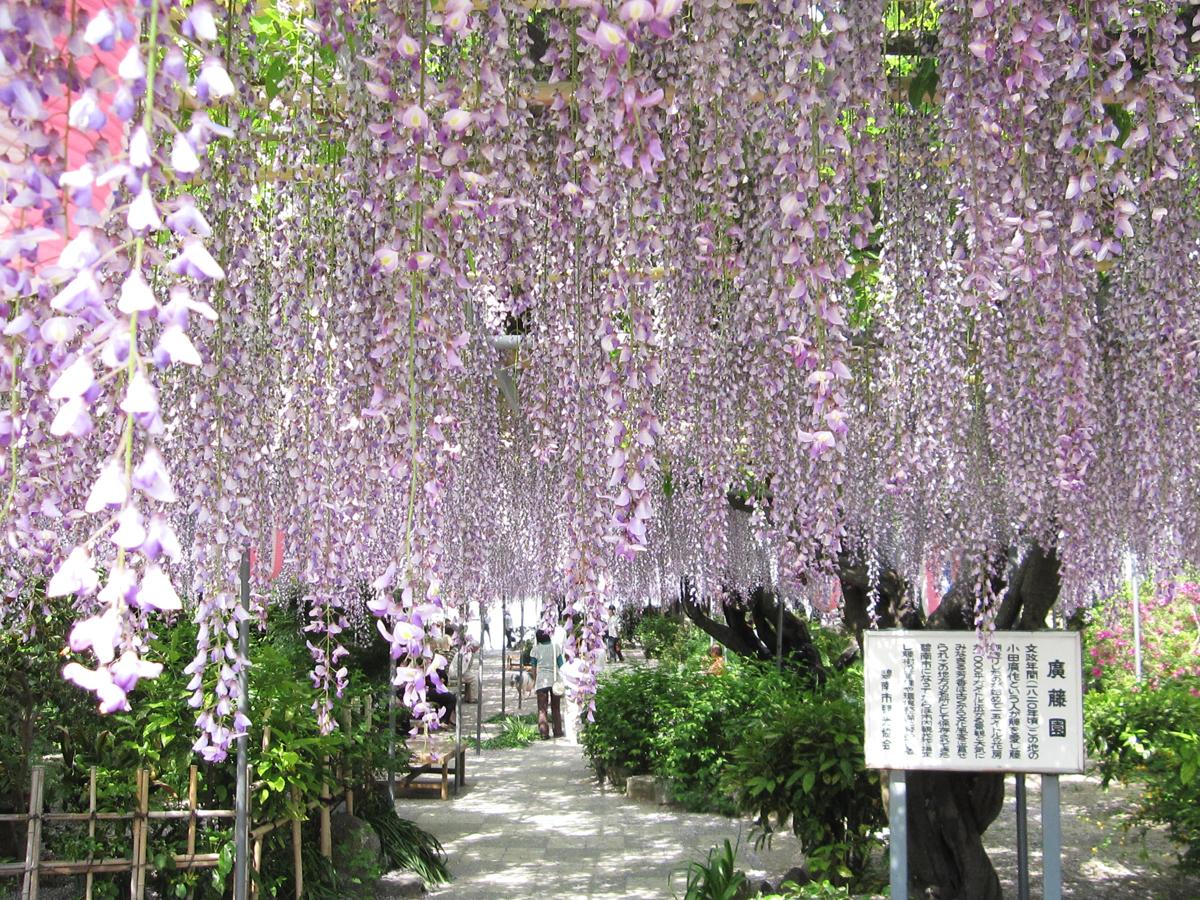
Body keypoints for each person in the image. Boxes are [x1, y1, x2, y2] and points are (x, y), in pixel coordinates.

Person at [529, 628, 564, 739]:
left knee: (542, 709)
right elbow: (561, 665)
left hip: (541, 681)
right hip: (554, 680)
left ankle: (544, 733)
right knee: (556, 708)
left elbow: (533, 668)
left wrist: (534, 681)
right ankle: (558, 732)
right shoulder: (556, 647)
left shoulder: (535, 649)